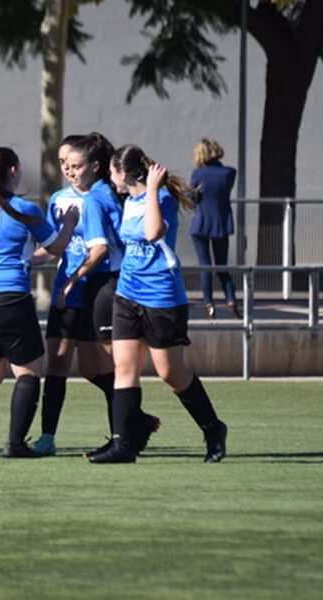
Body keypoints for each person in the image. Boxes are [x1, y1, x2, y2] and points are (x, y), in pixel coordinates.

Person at [91, 144, 228, 464]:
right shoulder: (128, 203)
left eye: (112, 172)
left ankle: (213, 428)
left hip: (162, 296)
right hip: (127, 294)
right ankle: (123, 446)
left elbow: (153, 233)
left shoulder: (161, 199)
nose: (111, 179)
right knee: (124, 369)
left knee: (171, 372)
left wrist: (152, 189)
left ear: (124, 173)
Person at [33, 133, 159, 458]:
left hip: (93, 286)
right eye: (63, 163)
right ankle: (48, 437)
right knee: (59, 362)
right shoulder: (60, 199)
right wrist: (22, 259)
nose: (68, 170)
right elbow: (54, 246)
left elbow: (102, 249)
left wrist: (72, 281)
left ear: (92, 165)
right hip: (71, 287)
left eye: (73, 164)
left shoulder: (100, 197)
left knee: (98, 368)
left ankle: (127, 429)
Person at [0, 147, 78, 458]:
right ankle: (15, 443)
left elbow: (14, 253)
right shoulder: (25, 209)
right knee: (28, 372)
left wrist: (24, 259)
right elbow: (59, 246)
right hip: (7, 297)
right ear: (12, 171)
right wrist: (70, 223)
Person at [189, 138, 240, 320]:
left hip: (201, 222)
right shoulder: (229, 173)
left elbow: (192, 198)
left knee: (205, 266)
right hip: (221, 223)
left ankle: (209, 305)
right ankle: (231, 301)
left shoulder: (198, 174)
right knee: (222, 266)